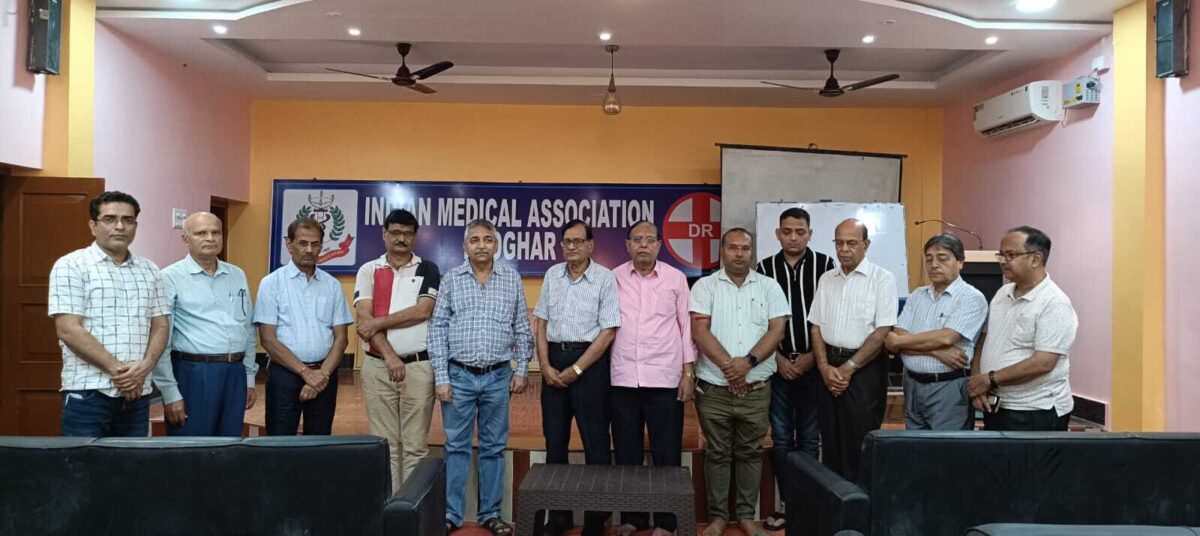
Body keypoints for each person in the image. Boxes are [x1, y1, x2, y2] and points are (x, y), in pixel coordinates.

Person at [428, 218, 533, 536]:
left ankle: (490, 514)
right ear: (465, 246)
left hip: (498, 377)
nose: (481, 245)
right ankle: (451, 514)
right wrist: (442, 377)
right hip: (458, 376)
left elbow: (522, 327)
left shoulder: (511, 279)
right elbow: (437, 328)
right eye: (474, 240)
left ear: (496, 244)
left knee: (493, 448)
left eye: (487, 239)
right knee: (456, 447)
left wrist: (522, 369)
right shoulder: (451, 280)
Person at [690, 228, 789, 536]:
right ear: (722, 251)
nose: (739, 253)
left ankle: (746, 516)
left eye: (745, 248)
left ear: (752, 252)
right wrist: (730, 368)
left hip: (756, 390)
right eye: (732, 248)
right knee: (717, 453)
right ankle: (718, 517)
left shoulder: (770, 287)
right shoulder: (705, 286)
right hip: (714, 389)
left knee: (750, 452)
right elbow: (700, 331)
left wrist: (747, 363)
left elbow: (777, 331)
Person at [49, 191, 170, 437]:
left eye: (128, 220)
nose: (120, 226)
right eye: (109, 219)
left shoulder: (150, 270)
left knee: (130, 460)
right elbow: (68, 329)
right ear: (92, 225)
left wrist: (145, 367)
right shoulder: (71, 265)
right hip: (88, 391)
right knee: (83, 460)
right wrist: (120, 372)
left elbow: (161, 325)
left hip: (138, 392)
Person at [533, 219, 620, 536]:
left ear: (590, 245)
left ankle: (596, 518)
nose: (571, 247)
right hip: (553, 363)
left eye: (578, 241)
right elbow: (541, 322)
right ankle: (560, 515)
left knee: (596, 444)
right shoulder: (552, 275)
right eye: (567, 241)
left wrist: (577, 369)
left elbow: (608, 330)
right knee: (554, 443)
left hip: (589, 366)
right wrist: (544, 365)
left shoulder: (605, 278)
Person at [610, 220, 695, 536]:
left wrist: (688, 372)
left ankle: (667, 521)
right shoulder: (613, 278)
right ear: (627, 245)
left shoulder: (676, 278)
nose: (643, 245)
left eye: (649, 239)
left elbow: (686, 327)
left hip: (664, 377)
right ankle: (634, 518)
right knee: (627, 453)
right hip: (622, 378)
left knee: (666, 452)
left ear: (659, 244)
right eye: (637, 239)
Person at [754, 207, 834, 532]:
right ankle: (790, 504)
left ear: (809, 234)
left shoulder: (826, 266)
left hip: (815, 365)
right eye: (787, 231)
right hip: (778, 367)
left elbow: (831, 317)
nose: (793, 237)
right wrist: (776, 359)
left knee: (810, 439)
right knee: (782, 438)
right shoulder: (764, 269)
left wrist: (813, 358)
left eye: (800, 232)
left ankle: (808, 505)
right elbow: (757, 321)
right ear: (777, 234)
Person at [353, 208, 441, 490]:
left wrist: (378, 322)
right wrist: (390, 356)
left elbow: (423, 311)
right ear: (384, 234)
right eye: (395, 233)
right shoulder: (368, 270)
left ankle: (411, 507)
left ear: (415, 237)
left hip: (418, 367)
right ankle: (388, 507)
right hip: (378, 367)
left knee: (416, 447)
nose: (401, 239)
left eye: (407, 234)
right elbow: (363, 319)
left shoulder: (428, 269)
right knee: (384, 445)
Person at [152, 212, 258, 436]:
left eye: (215, 232)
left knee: (229, 444)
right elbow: (161, 339)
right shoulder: (169, 277)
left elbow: (248, 328)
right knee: (192, 446)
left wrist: (249, 377)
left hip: (235, 373)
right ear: (185, 239)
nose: (210, 238)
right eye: (201, 233)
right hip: (194, 373)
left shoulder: (237, 274)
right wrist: (170, 392)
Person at [809, 218, 898, 480]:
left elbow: (882, 331)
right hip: (828, 367)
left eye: (851, 243)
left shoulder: (882, 279)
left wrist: (848, 368)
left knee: (860, 442)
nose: (844, 249)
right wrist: (824, 367)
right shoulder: (827, 279)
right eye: (839, 243)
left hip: (864, 370)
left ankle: (859, 502)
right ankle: (834, 501)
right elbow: (816, 327)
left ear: (866, 245)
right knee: (830, 440)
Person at [969, 226, 1078, 431]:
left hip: (1035, 410)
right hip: (997, 405)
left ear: (1036, 259)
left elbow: (1043, 363)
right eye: (1001, 255)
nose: (1003, 261)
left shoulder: (1054, 302)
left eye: (1010, 255)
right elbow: (985, 340)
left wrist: (989, 379)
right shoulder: (1002, 293)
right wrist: (978, 383)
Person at [254, 217, 353, 436]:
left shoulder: (332, 285)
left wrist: (321, 375)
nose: (309, 250)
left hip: (325, 375)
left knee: (319, 442)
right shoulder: (271, 283)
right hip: (284, 375)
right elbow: (268, 339)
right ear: (289, 244)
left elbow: (341, 338)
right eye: (302, 243)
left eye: (315, 244)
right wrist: (306, 373)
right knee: (280, 442)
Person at [884, 233, 988, 430]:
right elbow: (896, 337)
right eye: (929, 259)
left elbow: (947, 337)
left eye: (942, 258)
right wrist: (936, 351)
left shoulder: (971, 298)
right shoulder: (917, 295)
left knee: (945, 446)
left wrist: (900, 342)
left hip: (948, 387)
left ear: (960, 262)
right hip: (912, 385)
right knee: (914, 446)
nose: (934, 265)